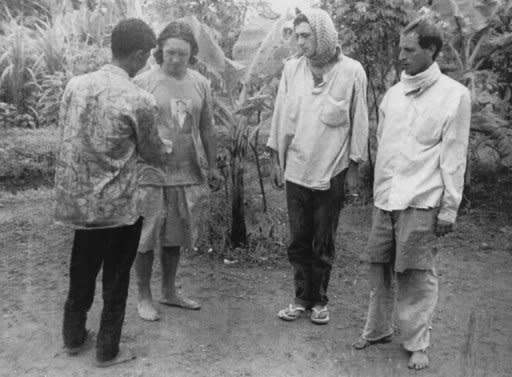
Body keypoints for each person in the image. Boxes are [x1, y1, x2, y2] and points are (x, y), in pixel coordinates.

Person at [353, 19, 471, 370]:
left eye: (409, 49)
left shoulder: (454, 96)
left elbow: (454, 156)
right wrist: (376, 191)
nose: (400, 55)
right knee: (378, 267)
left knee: (415, 273)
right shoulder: (393, 94)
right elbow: (384, 147)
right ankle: (377, 330)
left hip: (422, 199)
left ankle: (417, 342)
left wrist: (449, 207)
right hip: (386, 198)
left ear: (431, 50)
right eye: (400, 48)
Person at [54, 19, 173, 367]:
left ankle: (74, 337)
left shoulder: (75, 86)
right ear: (138, 54)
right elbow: (152, 152)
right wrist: (169, 146)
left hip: (79, 203)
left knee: (81, 271)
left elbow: (67, 134)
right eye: (147, 56)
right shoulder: (139, 98)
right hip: (119, 207)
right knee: (116, 279)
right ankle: (108, 351)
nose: (147, 63)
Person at [267, 8, 369, 325]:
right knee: (298, 238)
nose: (300, 41)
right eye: (297, 35)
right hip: (297, 166)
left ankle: (320, 300)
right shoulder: (291, 70)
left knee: (323, 239)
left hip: (332, 168)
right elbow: (281, 116)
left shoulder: (352, 71)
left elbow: (360, 120)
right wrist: (275, 158)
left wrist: (353, 167)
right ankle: (300, 298)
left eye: (306, 35)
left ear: (322, 34)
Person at [133, 20, 222, 321]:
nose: (175, 59)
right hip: (150, 171)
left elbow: (207, 128)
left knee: (175, 236)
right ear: (160, 51)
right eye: (170, 52)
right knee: (146, 236)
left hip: (186, 170)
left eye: (182, 54)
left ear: (191, 55)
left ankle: (169, 291)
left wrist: (213, 165)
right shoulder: (143, 82)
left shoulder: (200, 83)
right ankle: (144, 296)